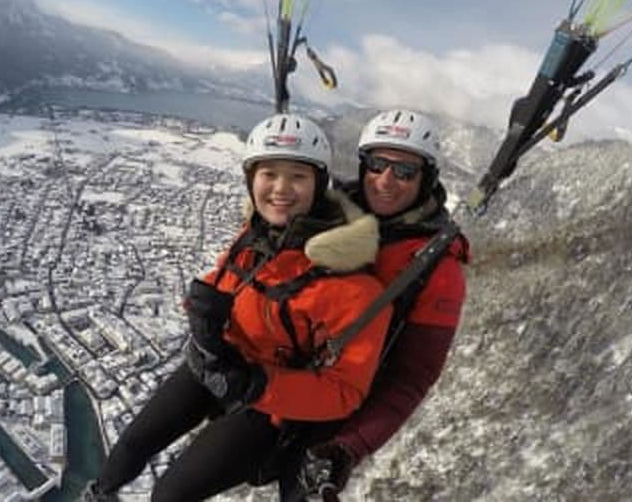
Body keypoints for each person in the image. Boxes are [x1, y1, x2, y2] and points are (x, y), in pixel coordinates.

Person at [83, 113, 392, 502]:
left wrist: (257, 385)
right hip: (216, 361)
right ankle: (97, 495)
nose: (280, 189)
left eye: (297, 176)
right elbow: (225, 282)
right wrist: (201, 310)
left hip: (269, 402)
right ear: (251, 180)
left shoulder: (354, 288)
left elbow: (344, 392)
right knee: (132, 444)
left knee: (170, 494)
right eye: (269, 174)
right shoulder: (256, 235)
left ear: (319, 184)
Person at [291, 109, 470, 500]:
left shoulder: (438, 267)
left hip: (337, 412)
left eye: (405, 171)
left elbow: (412, 375)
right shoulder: (329, 211)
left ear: (426, 178)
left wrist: (348, 447)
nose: (386, 180)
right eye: (377, 164)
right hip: (276, 381)